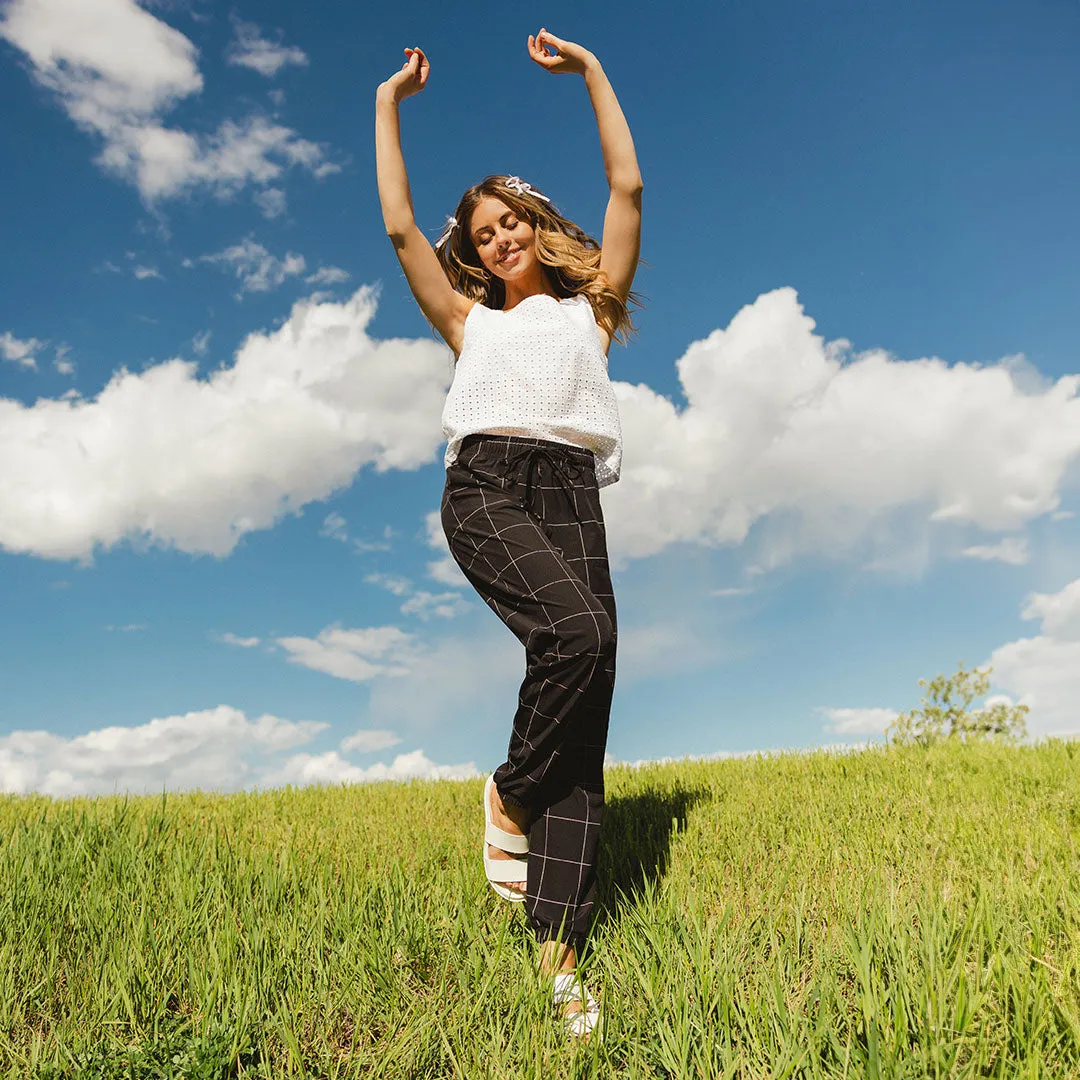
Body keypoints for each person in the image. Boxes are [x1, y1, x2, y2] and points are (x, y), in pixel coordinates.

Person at [375, 29, 642, 1040]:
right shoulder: (465, 322)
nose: (496, 239)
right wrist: (387, 103)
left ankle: (562, 964)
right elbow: (402, 227)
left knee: (588, 723)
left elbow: (627, 186)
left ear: (535, 220)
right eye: (481, 232)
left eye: (509, 222)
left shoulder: (591, 311)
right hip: (487, 483)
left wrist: (592, 72)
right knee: (576, 637)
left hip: (573, 489)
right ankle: (508, 794)